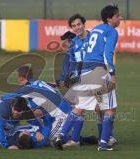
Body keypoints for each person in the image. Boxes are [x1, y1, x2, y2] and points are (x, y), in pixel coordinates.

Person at [55, 4, 122, 151]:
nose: (77, 27)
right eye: (118, 16)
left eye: (79, 24)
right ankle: (103, 142)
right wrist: (112, 74)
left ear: (84, 24)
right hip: (96, 73)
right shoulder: (105, 32)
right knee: (109, 108)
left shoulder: (94, 32)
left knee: (84, 108)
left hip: (86, 75)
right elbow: (106, 54)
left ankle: (62, 135)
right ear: (110, 19)